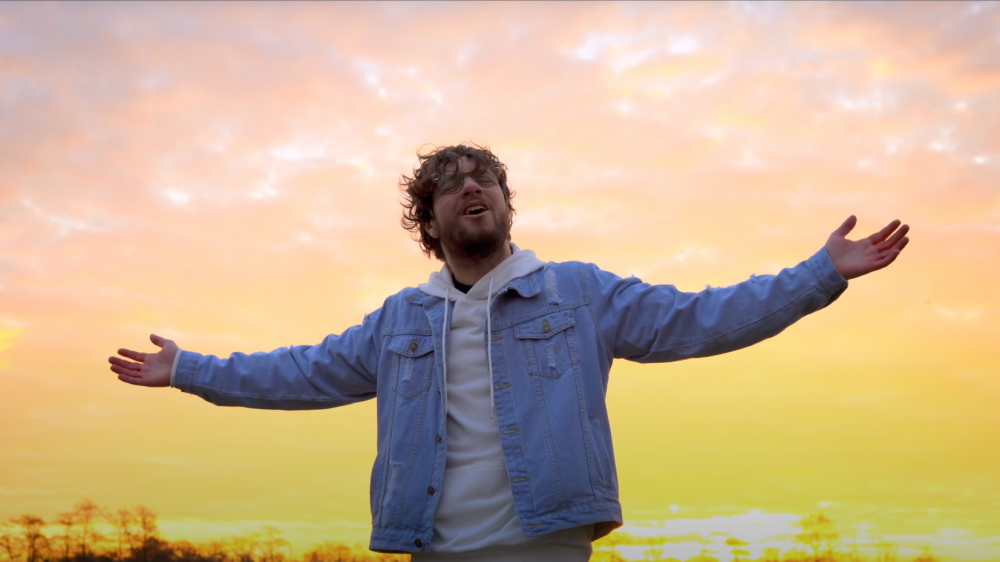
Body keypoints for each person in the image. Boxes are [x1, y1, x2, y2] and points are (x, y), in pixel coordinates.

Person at [109, 143, 910, 561]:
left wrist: (818, 275)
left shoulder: (578, 293)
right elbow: (302, 371)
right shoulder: (401, 321)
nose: (472, 186)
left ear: (504, 203)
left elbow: (702, 318)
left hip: (544, 544)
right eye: (452, 183)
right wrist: (189, 369)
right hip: (432, 545)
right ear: (429, 222)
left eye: (485, 177)